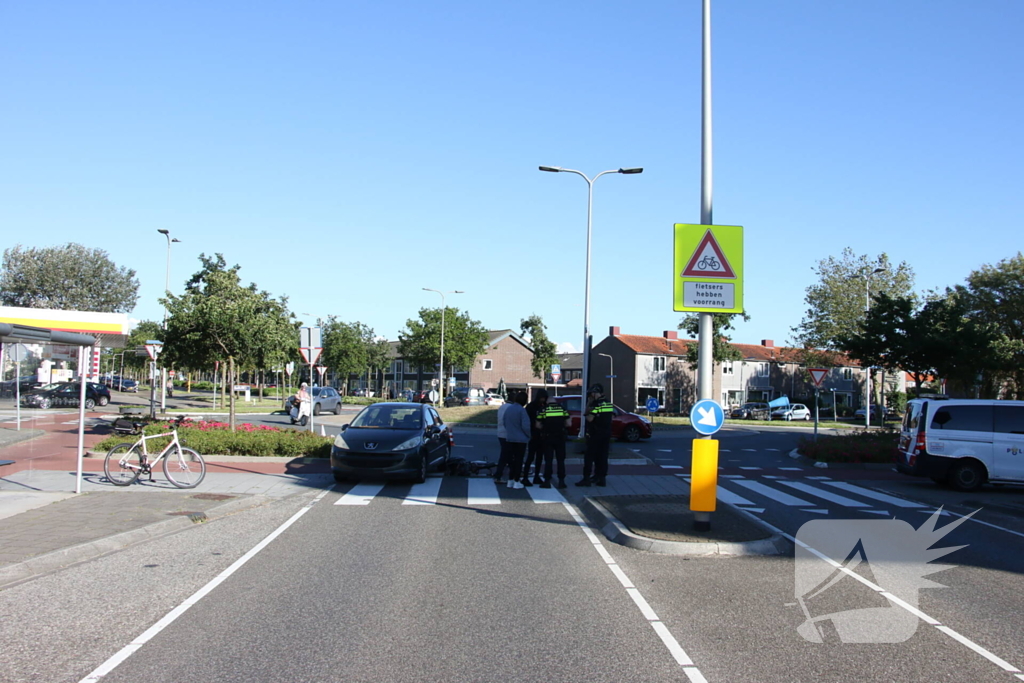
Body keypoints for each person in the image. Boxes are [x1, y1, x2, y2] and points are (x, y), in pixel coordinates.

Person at [578, 383, 614, 487]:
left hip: (595, 434)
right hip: (606, 433)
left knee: (589, 456)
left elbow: (589, 418)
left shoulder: (596, 404)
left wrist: (589, 403)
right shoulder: (608, 403)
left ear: (595, 393)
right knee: (602, 456)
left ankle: (586, 478)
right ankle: (601, 478)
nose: (590, 396)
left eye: (591, 394)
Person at [535, 393, 571, 488]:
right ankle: (561, 481)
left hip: (548, 437)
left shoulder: (543, 410)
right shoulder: (562, 409)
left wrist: (545, 427)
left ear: (547, 401)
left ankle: (547, 481)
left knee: (548, 460)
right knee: (560, 460)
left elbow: (537, 425)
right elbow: (568, 424)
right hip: (560, 437)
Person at [502, 392, 531, 489]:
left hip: (510, 438)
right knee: (519, 460)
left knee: (512, 461)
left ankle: (510, 480)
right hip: (521, 439)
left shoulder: (509, 409)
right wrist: (529, 436)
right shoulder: (522, 411)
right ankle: (516, 481)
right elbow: (526, 426)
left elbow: (504, 422)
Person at [522, 389, 547, 486]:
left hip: (541, 435)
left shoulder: (542, 406)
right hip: (534, 435)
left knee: (539, 457)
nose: (543, 400)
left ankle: (536, 476)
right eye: (542, 398)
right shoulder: (531, 407)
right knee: (531, 457)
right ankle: (525, 477)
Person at [493, 394, 513, 484]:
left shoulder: (502, 407)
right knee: (505, 456)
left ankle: (513, 472)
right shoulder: (512, 408)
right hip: (508, 434)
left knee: (507, 455)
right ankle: (498, 475)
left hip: (500, 433)